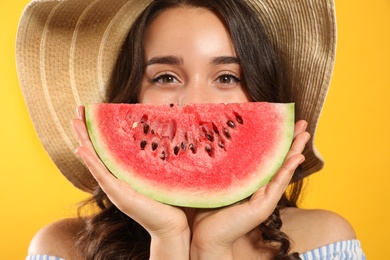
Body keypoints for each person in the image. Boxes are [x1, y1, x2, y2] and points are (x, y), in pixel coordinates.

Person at [16, 0, 366, 259]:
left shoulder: (326, 242)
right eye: (165, 77)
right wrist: (167, 239)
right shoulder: (60, 249)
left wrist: (213, 246)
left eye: (227, 77)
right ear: (131, 98)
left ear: (262, 97)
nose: (195, 103)